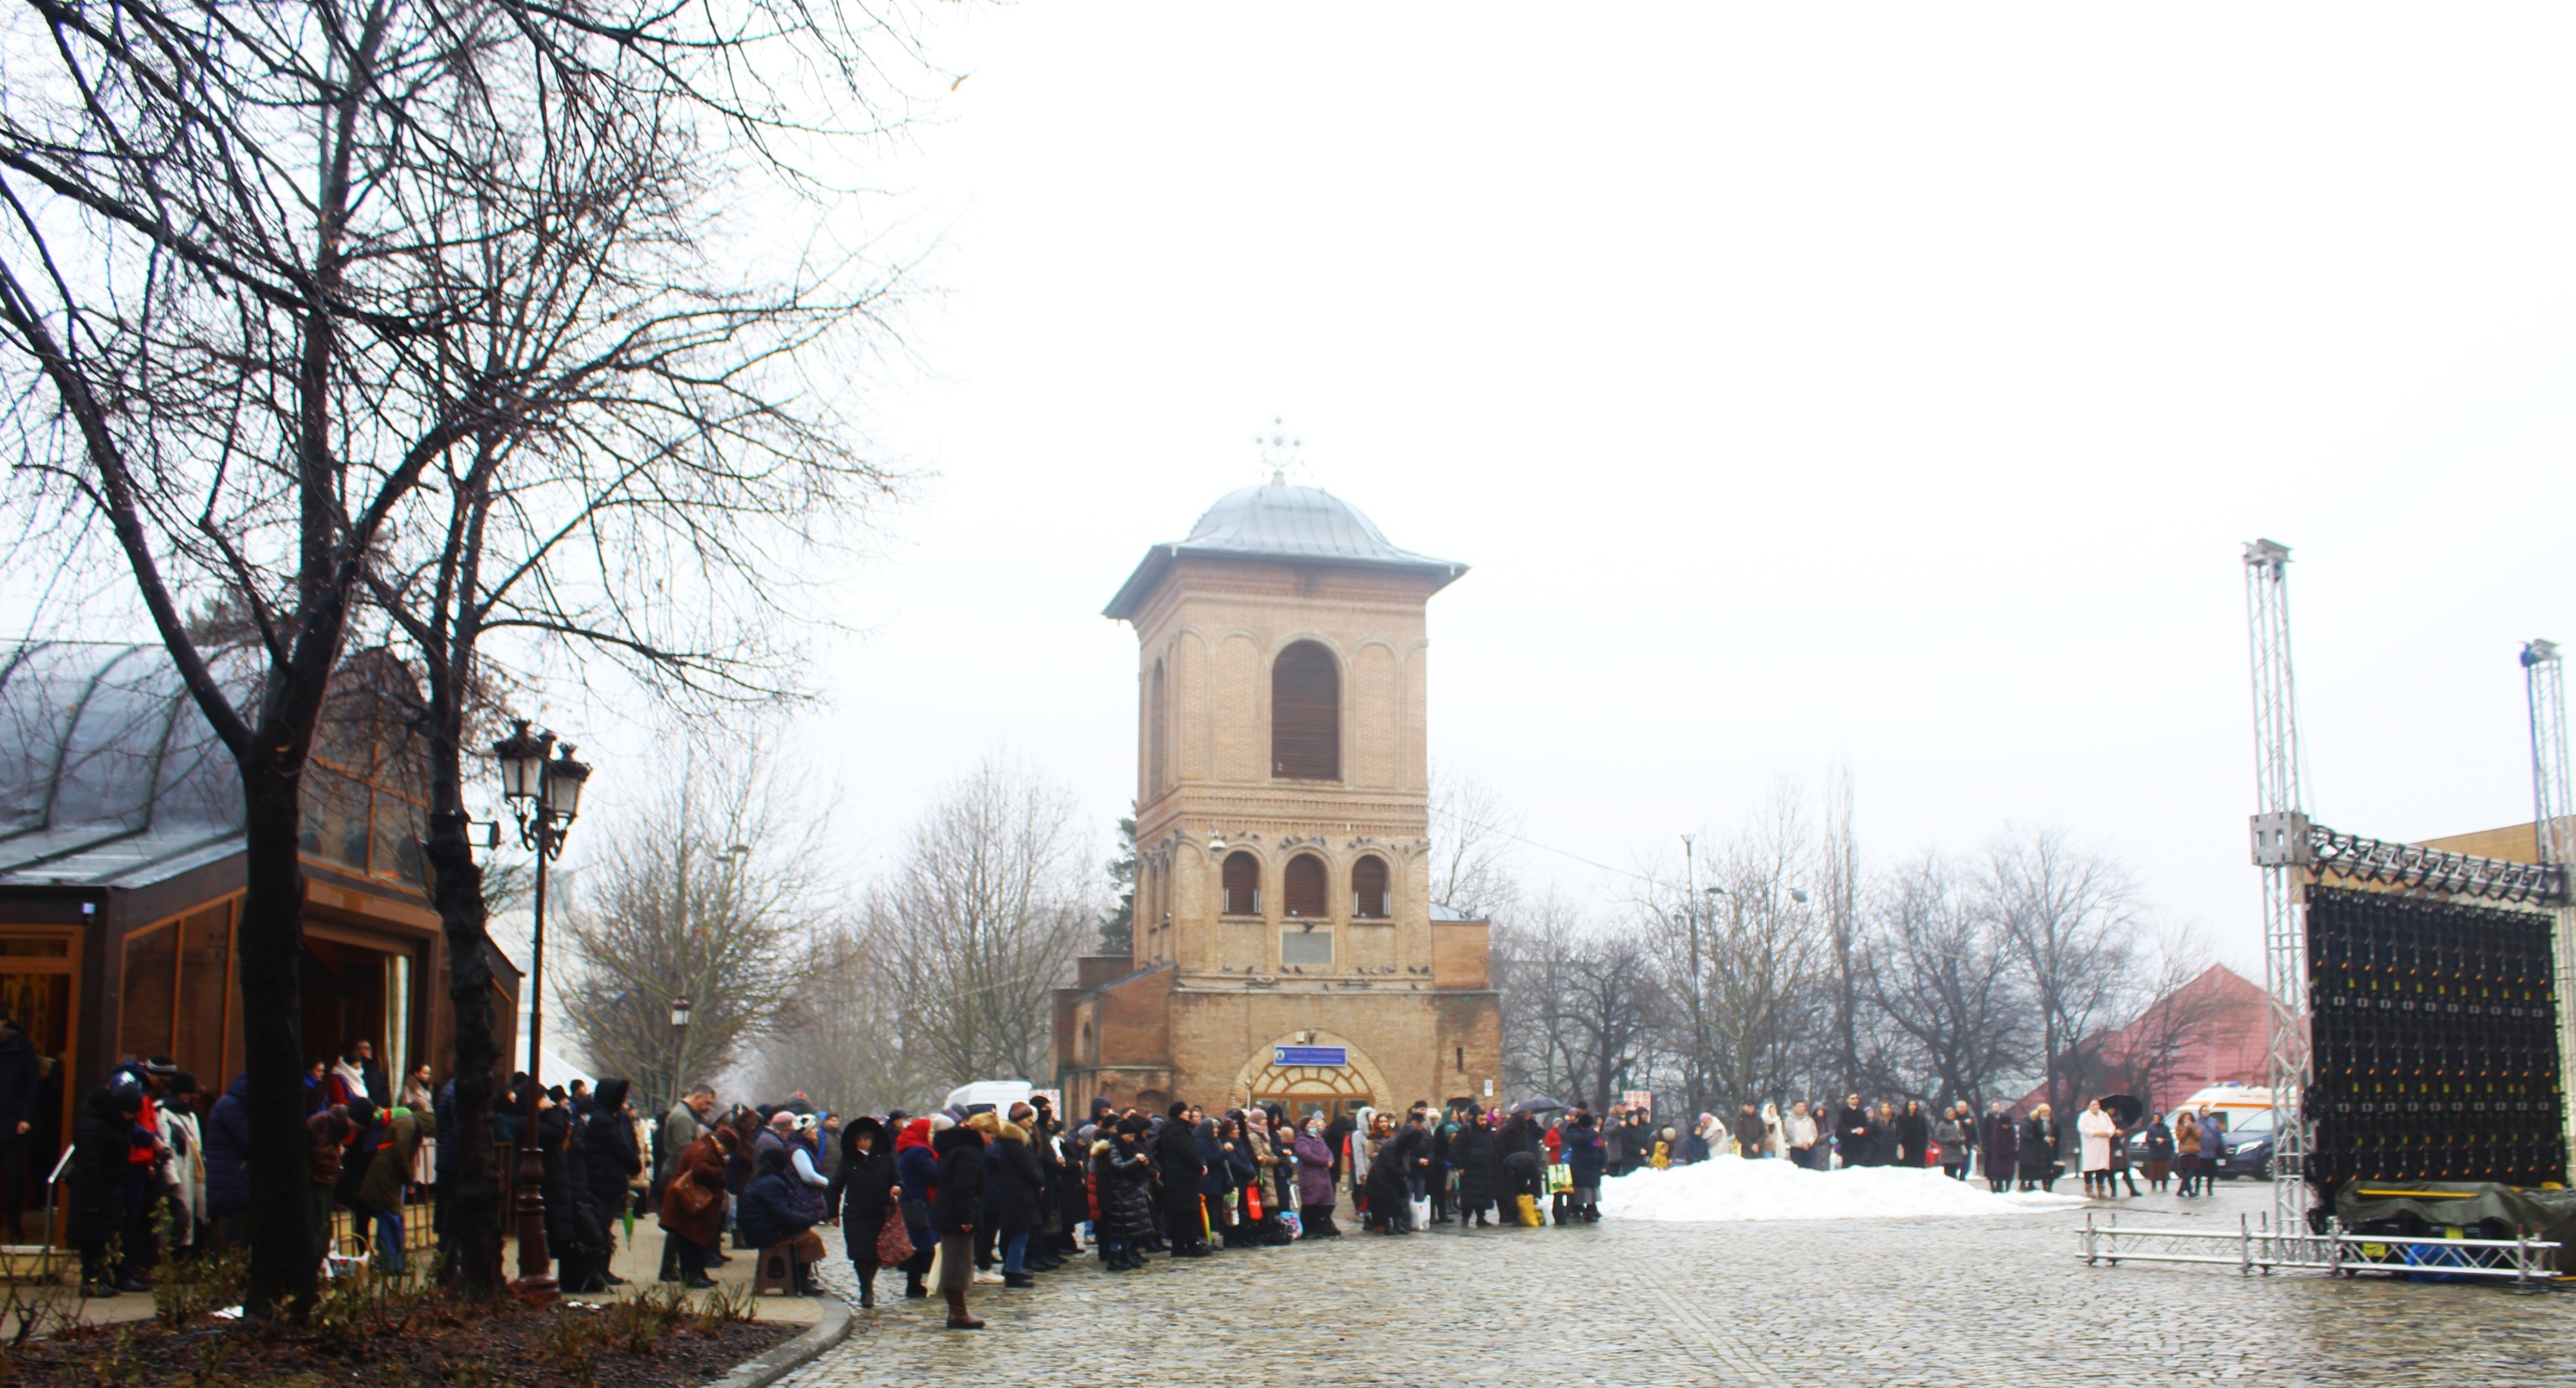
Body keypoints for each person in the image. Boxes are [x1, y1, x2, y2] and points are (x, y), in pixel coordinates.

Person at [69, 1078, 150, 1296]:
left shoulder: (110, 1125)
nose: (132, 1118)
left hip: (107, 1190)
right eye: (130, 1112)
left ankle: (104, 1279)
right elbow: (88, 1165)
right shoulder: (97, 1128)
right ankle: (93, 1282)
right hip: (95, 1192)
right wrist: (91, 1199)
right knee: (93, 1240)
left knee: (104, 1237)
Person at [827, 1116, 900, 1307]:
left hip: (879, 1211)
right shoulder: (848, 1160)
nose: (863, 1143)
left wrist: (897, 1187)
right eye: (859, 1140)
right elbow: (836, 1185)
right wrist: (832, 1212)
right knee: (861, 1252)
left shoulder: (886, 1157)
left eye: (866, 1139)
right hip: (856, 1213)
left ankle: (869, 1283)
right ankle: (865, 1288)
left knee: (875, 1252)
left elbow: (897, 1179)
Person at [737, 1146, 827, 1297]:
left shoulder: (761, 1178)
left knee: (805, 1234)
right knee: (811, 1239)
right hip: (766, 1232)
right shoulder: (773, 1182)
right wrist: (807, 1220)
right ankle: (801, 1280)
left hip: (757, 1229)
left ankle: (795, 1276)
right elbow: (782, 1214)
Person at [579, 1077, 642, 1289]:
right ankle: (598, 1271)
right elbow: (619, 1147)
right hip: (604, 1182)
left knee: (604, 1227)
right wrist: (634, 1164)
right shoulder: (604, 1120)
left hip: (606, 1180)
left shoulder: (604, 1117)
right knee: (602, 1226)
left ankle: (602, 1270)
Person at [930, 1112, 988, 1329]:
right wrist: (967, 1217)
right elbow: (964, 1186)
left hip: (949, 1211)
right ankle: (958, 1312)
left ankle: (958, 1311)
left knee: (957, 1262)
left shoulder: (956, 1149)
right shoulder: (968, 1152)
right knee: (958, 1264)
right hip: (956, 1214)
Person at [654, 1085, 716, 1280]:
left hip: (677, 1174)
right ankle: (668, 1268)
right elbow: (685, 1151)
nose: (708, 1108)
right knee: (678, 1224)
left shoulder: (684, 1114)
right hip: (679, 1176)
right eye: (706, 1103)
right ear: (696, 1096)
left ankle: (670, 1267)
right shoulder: (683, 1117)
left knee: (677, 1224)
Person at [354, 1101, 422, 1274]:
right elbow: (401, 1155)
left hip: (370, 1176)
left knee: (370, 1220)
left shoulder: (379, 1127)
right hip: (383, 1179)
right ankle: (389, 1262)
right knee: (390, 1218)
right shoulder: (405, 1124)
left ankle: (371, 1260)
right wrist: (409, 1180)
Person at [660, 1123, 729, 1288]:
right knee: (690, 1240)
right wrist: (721, 1174)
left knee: (693, 1239)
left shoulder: (703, 1146)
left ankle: (697, 1273)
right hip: (688, 1200)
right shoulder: (704, 1150)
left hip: (689, 1199)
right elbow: (700, 1170)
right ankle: (692, 1275)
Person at [985, 1109, 1045, 1287]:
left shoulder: (1008, 1143)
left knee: (1017, 1233)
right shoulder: (1016, 1144)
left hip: (1015, 1194)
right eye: (1027, 1120)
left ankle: (1013, 1268)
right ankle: (1013, 1270)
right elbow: (1028, 1167)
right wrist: (1039, 1181)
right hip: (1020, 1195)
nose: (1030, 1123)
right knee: (1020, 1233)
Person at [1152, 1102, 1209, 1256]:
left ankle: (1183, 1244)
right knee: (1184, 1213)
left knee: (1183, 1213)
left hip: (1181, 1176)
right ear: (1179, 1113)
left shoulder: (1179, 1129)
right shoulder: (1176, 1132)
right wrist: (1200, 1166)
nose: (1188, 1114)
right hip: (1182, 1177)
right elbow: (1188, 1152)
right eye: (1185, 1111)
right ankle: (1186, 1244)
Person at [894, 1118, 940, 1296]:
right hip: (921, 1202)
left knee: (918, 1243)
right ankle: (915, 1284)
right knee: (923, 1244)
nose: (931, 1136)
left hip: (913, 1201)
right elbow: (933, 1174)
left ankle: (915, 1283)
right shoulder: (919, 1151)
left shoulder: (908, 1149)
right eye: (929, 1132)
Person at [202, 1074, 250, 1247]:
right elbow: (250, 1142)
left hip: (234, 1188)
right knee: (232, 1247)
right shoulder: (232, 1108)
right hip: (232, 1191)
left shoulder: (232, 1105)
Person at [1294, 1115, 1340, 1237]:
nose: (1313, 1127)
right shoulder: (1302, 1140)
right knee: (1311, 1202)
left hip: (1323, 1175)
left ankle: (1323, 1227)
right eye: (1310, 1125)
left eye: (1314, 1124)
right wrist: (1324, 1162)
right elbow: (1306, 1155)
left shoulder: (1319, 1139)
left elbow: (1328, 1152)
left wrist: (1330, 1160)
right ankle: (1309, 1229)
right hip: (1311, 1175)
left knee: (1325, 1202)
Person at [1455, 1109, 1500, 1226]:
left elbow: (1495, 1150)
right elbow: (1457, 1149)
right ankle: (1466, 1217)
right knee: (1469, 1195)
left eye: (1485, 1119)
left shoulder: (1489, 1132)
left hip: (1485, 1169)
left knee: (1483, 1195)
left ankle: (1481, 1217)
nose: (1483, 1122)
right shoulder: (1466, 1130)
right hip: (1470, 1169)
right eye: (1481, 1119)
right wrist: (1460, 1166)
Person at [1561, 1112, 1606, 1223]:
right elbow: (1581, 1140)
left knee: (1592, 1189)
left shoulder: (1591, 1133)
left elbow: (1602, 1148)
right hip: (1580, 1165)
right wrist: (1595, 1133)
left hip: (1593, 1166)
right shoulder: (1574, 1131)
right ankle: (1576, 1210)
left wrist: (1604, 1163)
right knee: (1580, 1189)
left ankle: (1590, 1211)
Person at [2077, 1098, 2116, 1197]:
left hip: (2103, 1144)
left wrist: (2107, 1133)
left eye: (2097, 1105)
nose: (2096, 1107)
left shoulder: (2104, 1115)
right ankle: (2089, 1189)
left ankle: (2101, 1189)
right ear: (2089, 1106)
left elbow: (2112, 1127)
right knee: (2089, 1167)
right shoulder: (2084, 1116)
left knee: (2101, 1167)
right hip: (2091, 1145)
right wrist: (2095, 1133)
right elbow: (2082, 1128)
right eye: (2093, 1105)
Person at [2018, 1103, 2059, 1192]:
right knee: (2027, 1167)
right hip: (2028, 1148)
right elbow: (2026, 1134)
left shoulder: (2051, 1121)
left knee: (2036, 1167)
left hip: (2038, 1148)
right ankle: (2024, 1184)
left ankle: (2032, 1184)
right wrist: (2038, 1138)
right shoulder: (2027, 1123)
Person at [1982, 1103, 2019, 1194]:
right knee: (1995, 1169)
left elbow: (2014, 1141)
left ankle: (2007, 1188)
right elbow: (1986, 1134)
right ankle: (1996, 1186)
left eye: (1998, 1107)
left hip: (2008, 1152)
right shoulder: (1988, 1120)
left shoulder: (2007, 1121)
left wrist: (2011, 1150)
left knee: (2008, 1170)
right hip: (1995, 1150)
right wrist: (1986, 1145)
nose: (1996, 1108)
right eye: (1994, 1107)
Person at [1932, 1104, 1970, 1181]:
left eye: (1952, 1115)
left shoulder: (1957, 1123)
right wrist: (1948, 1140)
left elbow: (1963, 1135)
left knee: (1955, 1171)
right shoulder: (1941, 1124)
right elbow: (1937, 1137)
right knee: (1948, 1172)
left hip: (1956, 1151)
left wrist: (1960, 1140)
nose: (1951, 1116)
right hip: (1947, 1151)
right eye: (1949, 1115)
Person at [1834, 1094, 1868, 1170]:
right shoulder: (1843, 1112)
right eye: (1852, 1098)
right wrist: (1851, 1131)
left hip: (1860, 1146)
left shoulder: (1861, 1113)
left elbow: (1867, 1127)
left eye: (1856, 1098)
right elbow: (1840, 1128)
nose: (1855, 1100)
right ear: (1848, 1100)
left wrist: (1863, 1130)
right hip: (1847, 1145)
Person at [2174, 1109, 2203, 1197]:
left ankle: (2182, 1191)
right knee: (2186, 1172)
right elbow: (2181, 1138)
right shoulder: (2179, 1127)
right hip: (2184, 1152)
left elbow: (2198, 1137)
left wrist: (2192, 1127)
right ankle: (2189, 1192)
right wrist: (2186, 1128)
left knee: (2190, 1172)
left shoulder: (2196, 1126)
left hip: (2194, 1152)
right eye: (2185, 1118)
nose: (2187, 1119)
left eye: (2189, 1118)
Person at [1784, 1102, 1819, 1170]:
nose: (1802, 1108)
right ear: (1794, 1108)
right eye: (1799, 1106)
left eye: (1803, 1106)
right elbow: (1790, 1133)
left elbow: (1814, 1133)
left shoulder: (1809, 1119)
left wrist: (1809, 1143)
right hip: (1796, 1149)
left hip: (1809, 1148)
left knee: (1809, 1169)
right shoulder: (1790, 1120)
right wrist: (1801, 1143)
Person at [1897, 1099, 1931, 1167]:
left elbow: (1925, 1133)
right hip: (1905, 1147)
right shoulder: (1901, 1118)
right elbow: (1898, 1132)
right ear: (1907, 1106)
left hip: (1918, 1148)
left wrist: (1924, 1144)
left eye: (1914, 1105)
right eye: (1911, 1105)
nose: (1913, 1107)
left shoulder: (1921, 1119)